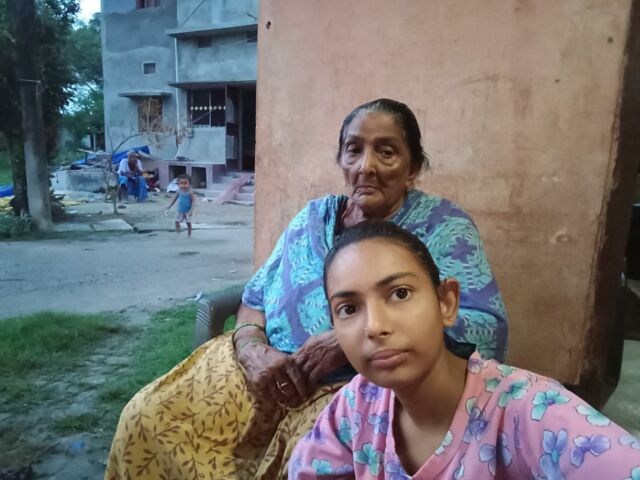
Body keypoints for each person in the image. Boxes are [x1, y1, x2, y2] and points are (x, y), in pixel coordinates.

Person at [105, 99, 508, 479]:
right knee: (147, 416)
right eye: (353, 150)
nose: (366, 167)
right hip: (258, 371)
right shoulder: (312, 218)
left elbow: (484, 325)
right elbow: (254, 299)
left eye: (386, 152)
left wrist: (346, 342)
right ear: (341, 159)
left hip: (352, 389)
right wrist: (251, 348)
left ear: (413, 166)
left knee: (307, 464)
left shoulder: (443, 227)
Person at [289, 221, 640, 479]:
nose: (374, 326)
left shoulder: (532, 413)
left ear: (446, 303)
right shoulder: (357, 405)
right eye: (349, 308)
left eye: (400, 293)